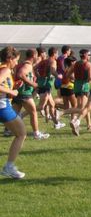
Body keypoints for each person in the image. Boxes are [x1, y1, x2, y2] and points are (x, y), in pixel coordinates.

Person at [0, 47, 27, 179]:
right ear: (9, 59)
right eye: (16, 60)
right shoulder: (5, 69)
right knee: (21, 134)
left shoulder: (4, 69)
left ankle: (9, 167)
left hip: (4, 105)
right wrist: (11, 92)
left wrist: (14, 86)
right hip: (2, 107)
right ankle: (9, 167)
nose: (17, 63)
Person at [12, 48, 50, 140]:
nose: (37, 58)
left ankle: (8, 130)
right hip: (25, 93)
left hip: (18, 92)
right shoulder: (27, 65)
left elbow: (15, 75)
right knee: (33, 113)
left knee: (14, 115)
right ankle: (36, 134)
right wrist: (32, 84)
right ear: (34, 56)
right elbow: (21, 75)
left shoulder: (20, 64)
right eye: (37, 56)